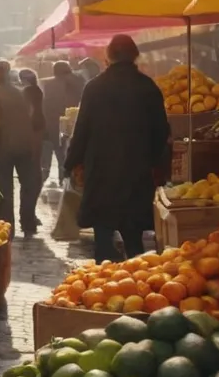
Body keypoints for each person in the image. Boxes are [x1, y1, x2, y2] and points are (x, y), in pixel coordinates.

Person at [64, 35, 170, 263]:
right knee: (134, 237)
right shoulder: (148, 87)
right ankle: (136, 283)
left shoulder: (94, 88)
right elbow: (162, 132)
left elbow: (81, 130)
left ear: (108, 56)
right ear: (135, 56)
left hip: (102, 171)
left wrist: (71, 163)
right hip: (137, 173)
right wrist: (153, 162)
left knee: (103, 235)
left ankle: (103, 282)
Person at [0, 60, 41, 236]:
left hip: (4, 149)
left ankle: (7, 227)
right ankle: (28, 223)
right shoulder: (20, 93)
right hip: (25, 146)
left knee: (4, 188)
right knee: (28, 184)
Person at [39, 61, 84, 182]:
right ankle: (64, 183)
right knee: (65, 157)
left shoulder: (48, 84)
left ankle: (44, 180)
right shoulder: (79, 82)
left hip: (51, 125)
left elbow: (44, 105)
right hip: (72, 125)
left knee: (47, 161)